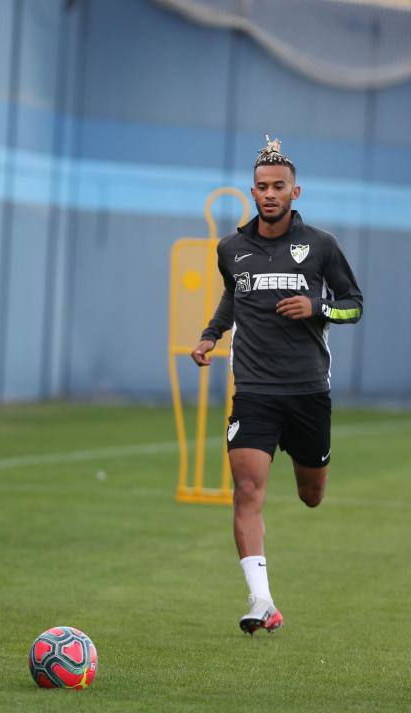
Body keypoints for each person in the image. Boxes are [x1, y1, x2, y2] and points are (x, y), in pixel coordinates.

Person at [192, 136, 363, 634]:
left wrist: (318, 307)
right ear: (253, 191)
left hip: (308, 391)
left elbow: (354, 304)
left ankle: (309, 474)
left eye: (279, 187)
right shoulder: (232, 249)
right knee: (246, 490)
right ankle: (260, 600)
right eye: (262, 187)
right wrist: (209, 334)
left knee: (312, 495)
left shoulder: (323, 247)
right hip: (255, 391)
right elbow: (233, 296)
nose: (270, 194)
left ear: (296, 191)